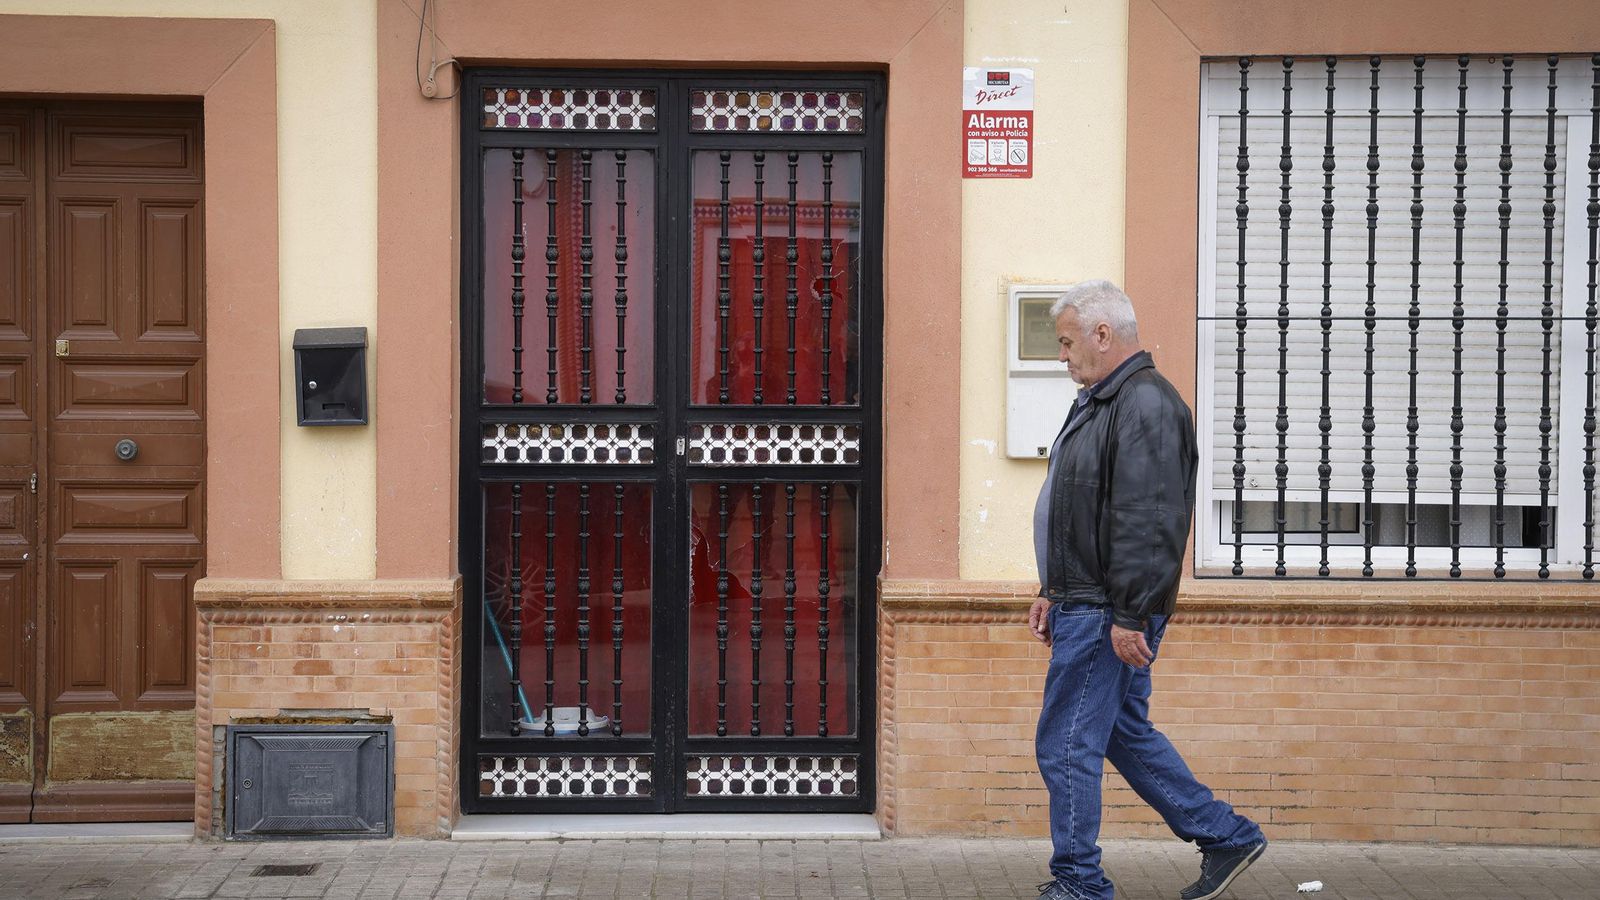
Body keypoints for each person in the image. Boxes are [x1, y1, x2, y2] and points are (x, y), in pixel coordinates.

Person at [1028, 280, 1266, 900]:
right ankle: (1225, 835)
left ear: (1103, 334)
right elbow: (1080, 511)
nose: (1062, 355)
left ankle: (1080, 883)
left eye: (1067, 342)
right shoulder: (1102, 402)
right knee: (1120, 732)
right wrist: (1052, 588)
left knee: (1066, 743)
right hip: (1088, 601)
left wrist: (1129, 615)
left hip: (1106, 611)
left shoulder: (1146, 406)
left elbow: (1150, 522)